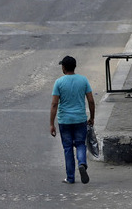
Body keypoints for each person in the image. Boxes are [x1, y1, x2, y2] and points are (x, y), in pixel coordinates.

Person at [49, 56, 95, 185]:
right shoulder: (83, 80)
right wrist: (92, 117)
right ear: (74, 67)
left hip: (65, 121)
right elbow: (91, 101)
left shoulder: (59, 82)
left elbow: (54, 104)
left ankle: (70, 177)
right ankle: (82, 163)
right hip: (80, 119)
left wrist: (51, 124)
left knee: (68, 148)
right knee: (80, 144)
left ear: (63, 68)